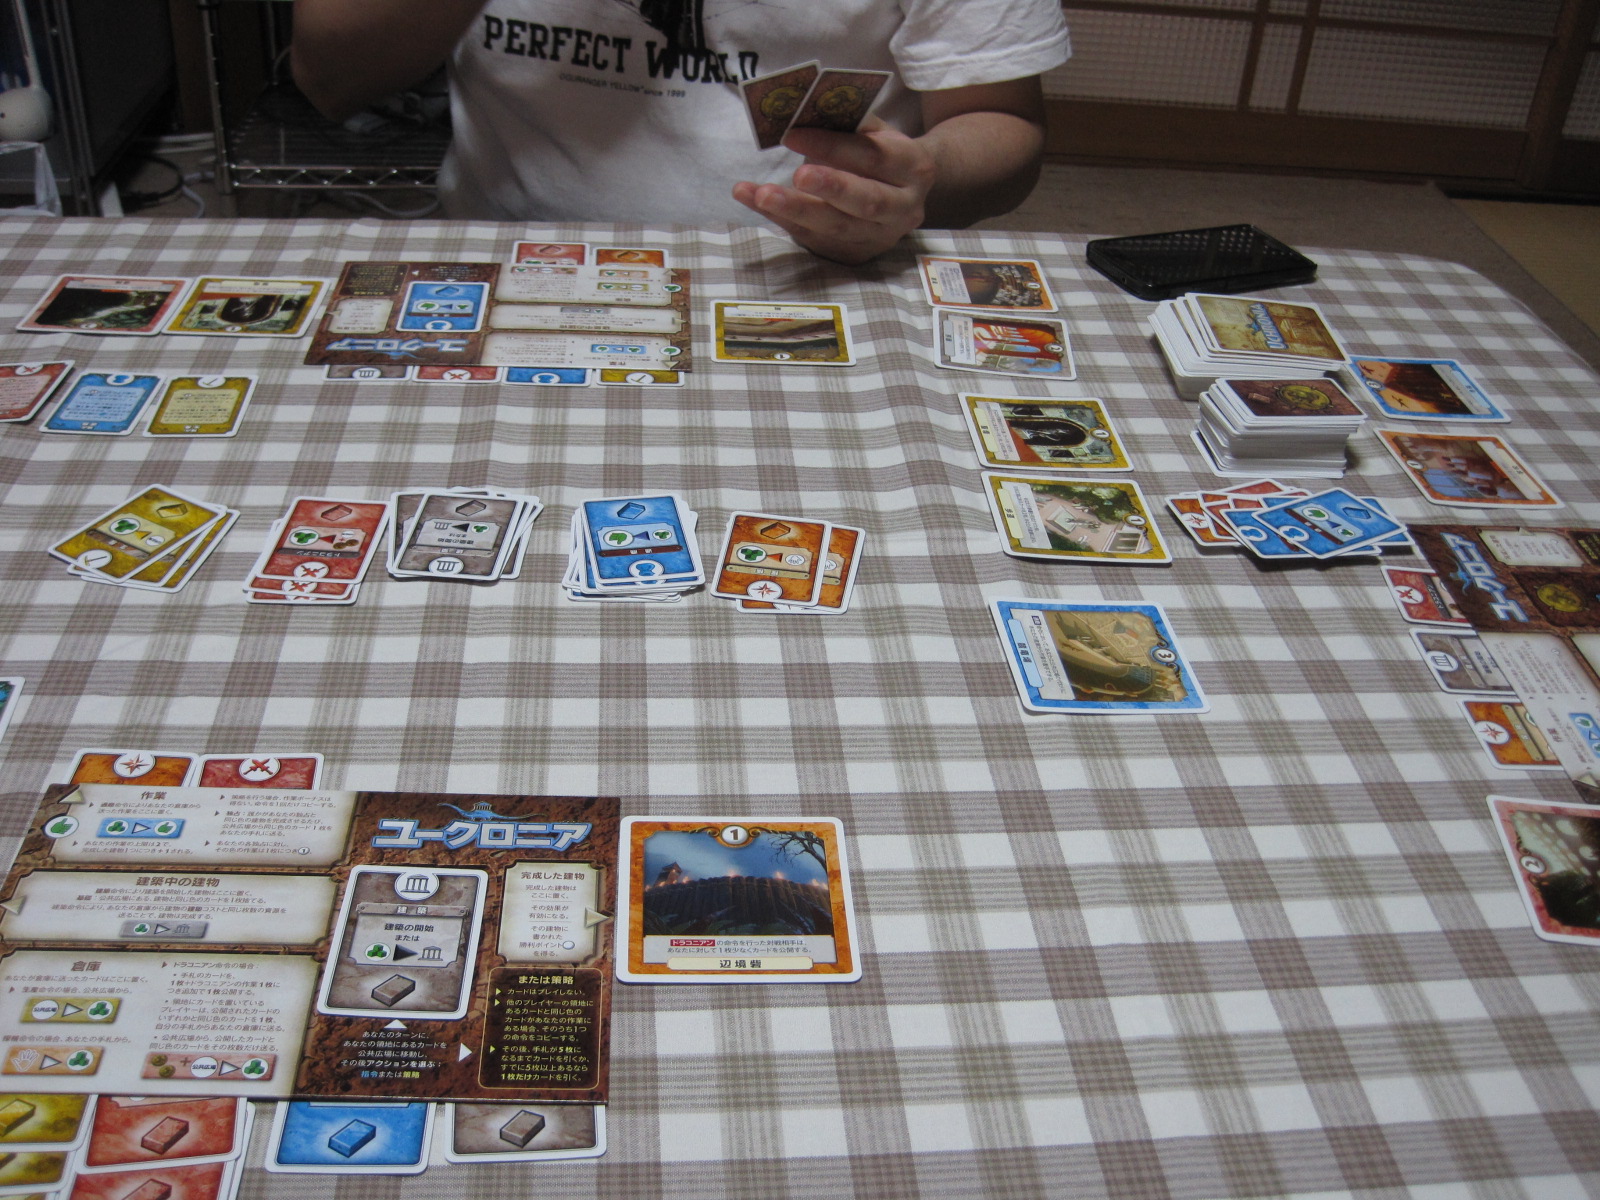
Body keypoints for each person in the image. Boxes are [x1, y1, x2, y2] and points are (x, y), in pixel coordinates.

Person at [291, 0, 1069, 263]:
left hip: (815, 274)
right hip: (505, 260)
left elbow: (1002, 123)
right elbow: (329, 75)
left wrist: (921, 175)